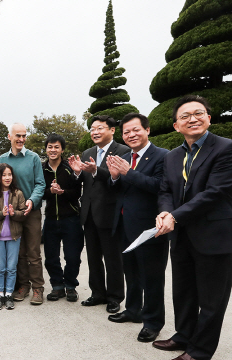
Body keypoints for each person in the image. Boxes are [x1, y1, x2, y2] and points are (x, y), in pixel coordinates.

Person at [153, 95, 232, 360]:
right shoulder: (173, 156)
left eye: (198, 113)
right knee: (183, 291)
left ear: (209, 118)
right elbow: (165, 189)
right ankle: (183, 336)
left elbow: (215, 193)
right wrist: (165, 210)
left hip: (215, 236)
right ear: (176, 125)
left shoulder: (225, 148)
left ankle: (199, 351)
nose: (192, 119)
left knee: (212, 299)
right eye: (185, 116)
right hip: (182, 236)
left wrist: (175, 216)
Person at [106, 113, 169, 343]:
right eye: (126, 132)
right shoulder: (124, 156)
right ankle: (133, 310)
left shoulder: (163, 156)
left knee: (151, 277)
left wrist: (127, 173)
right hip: (123, 225)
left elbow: (160, 187)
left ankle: (153, 322)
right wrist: (113, 177)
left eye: (135, 130)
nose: (131, 135)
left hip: (149, 229)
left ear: (147, 130)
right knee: (130, 272)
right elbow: (117, 190)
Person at [0, 123, 46, 305]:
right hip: (8, 214)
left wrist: (32, 200)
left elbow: (40, 184)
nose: (21, 139)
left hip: (30, 211)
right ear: (10, 137)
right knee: (19, 253)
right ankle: (23, 286)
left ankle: (38, 288)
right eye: (18, 136)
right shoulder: (2, 160)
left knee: (33, 252)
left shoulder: (34, 158)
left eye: (24, 135)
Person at [68, 115, 130, 314]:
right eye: (92, 128)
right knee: (93, 257)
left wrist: (96, 171)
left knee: (113, 258)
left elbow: (120, 181)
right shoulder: (87, 152)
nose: (95, 132)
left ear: (112, 130)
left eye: (100, 128)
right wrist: (77, 173)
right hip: (89, 213)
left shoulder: (123, 151)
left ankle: (114, 297)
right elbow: (83, 182)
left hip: (111, 213)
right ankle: (97, 293)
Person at [42, 133, 84, 303]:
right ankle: (57, 286)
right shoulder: (41, 169)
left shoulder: (69, 167)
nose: (53, 150)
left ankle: (71, 286)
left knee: (73, 256)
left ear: (62, 150)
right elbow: (39, 193)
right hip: (51, 218)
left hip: (71, 218)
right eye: (50, 147)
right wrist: (50, 192)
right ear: (46, 149)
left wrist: (63, 192)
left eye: (56, 147)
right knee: (51, 256)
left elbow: (77, 193)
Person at [0, 163, 26, 310]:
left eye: (9, 174)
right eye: (4, 175)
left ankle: (9, 294)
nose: (7, 178)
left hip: (14, 237)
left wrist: (15, 214)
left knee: (12, 268)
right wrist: (1, 213)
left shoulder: (18, 193)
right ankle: (0, 294)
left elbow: (23, 214)